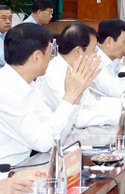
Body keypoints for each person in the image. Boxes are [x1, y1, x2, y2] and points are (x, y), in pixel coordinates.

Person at [0, 23, 98, 166]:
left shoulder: (29, 84)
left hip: (26, 163)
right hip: (8, 172)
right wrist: (70, 97)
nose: (51, 57)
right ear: (37, 56)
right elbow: (43, 142)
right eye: (50, 51)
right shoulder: (5, 89)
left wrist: (76, 95)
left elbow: (56, 134)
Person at [38, 23, 125, 127]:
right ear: (78, 51)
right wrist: (122, 115)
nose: (95, 55)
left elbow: (91, 105)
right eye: (94, 49)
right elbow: (76, 119)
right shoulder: (54, 73)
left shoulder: (75, 69)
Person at [89, 18, 125, 100]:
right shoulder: (93, 61)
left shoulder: (113, 60)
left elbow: (111, 93)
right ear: (109, 41)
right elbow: (115, 92)